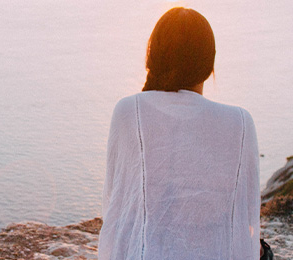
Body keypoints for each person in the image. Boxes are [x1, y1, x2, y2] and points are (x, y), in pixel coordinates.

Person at [98, 7, 263, 259]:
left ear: (152, 57)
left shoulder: (128, 112)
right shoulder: (240, 122)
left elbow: (117, 208)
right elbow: (247, 216)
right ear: (209, 65)